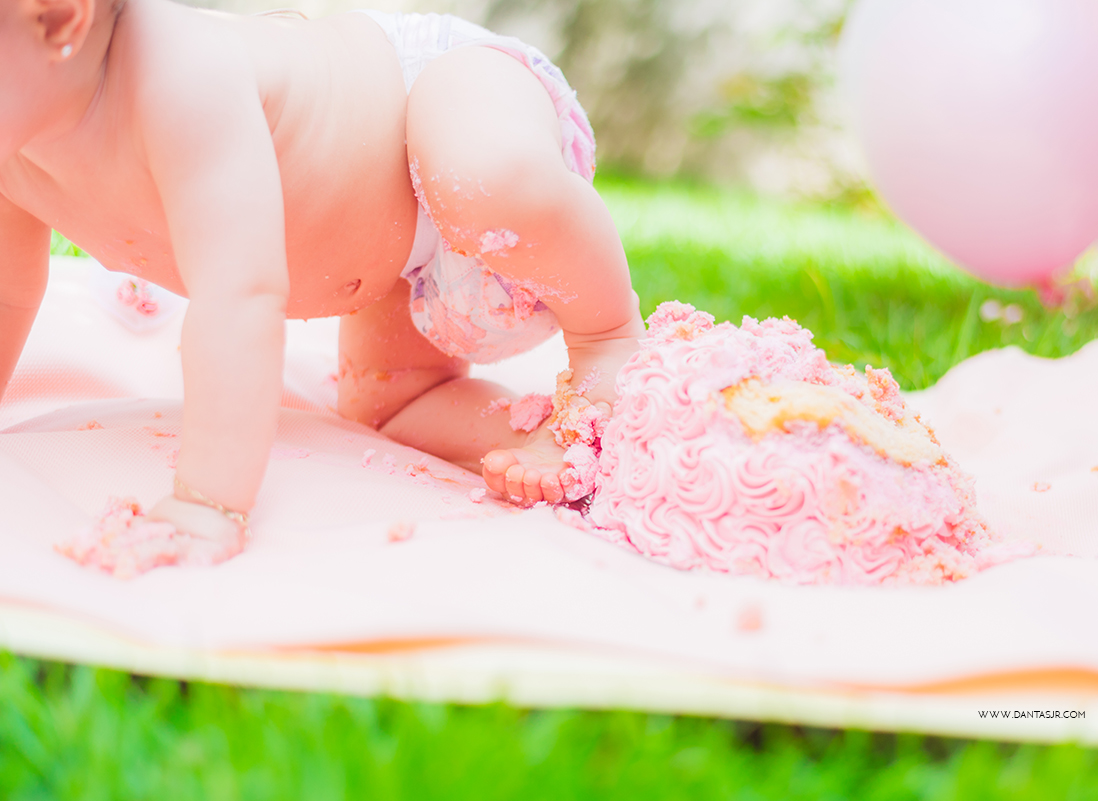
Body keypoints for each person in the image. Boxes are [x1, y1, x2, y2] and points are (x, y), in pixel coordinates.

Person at [0, 0, 643, 553]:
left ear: (58, 20)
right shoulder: (18, 140)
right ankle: (557, 439)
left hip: (440, 96)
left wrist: (207, 502)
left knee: (482, 174)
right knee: (391, 418)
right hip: (395, 264)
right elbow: (7, 290)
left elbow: (239, 298)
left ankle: (606, 340)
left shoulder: (177, 79)